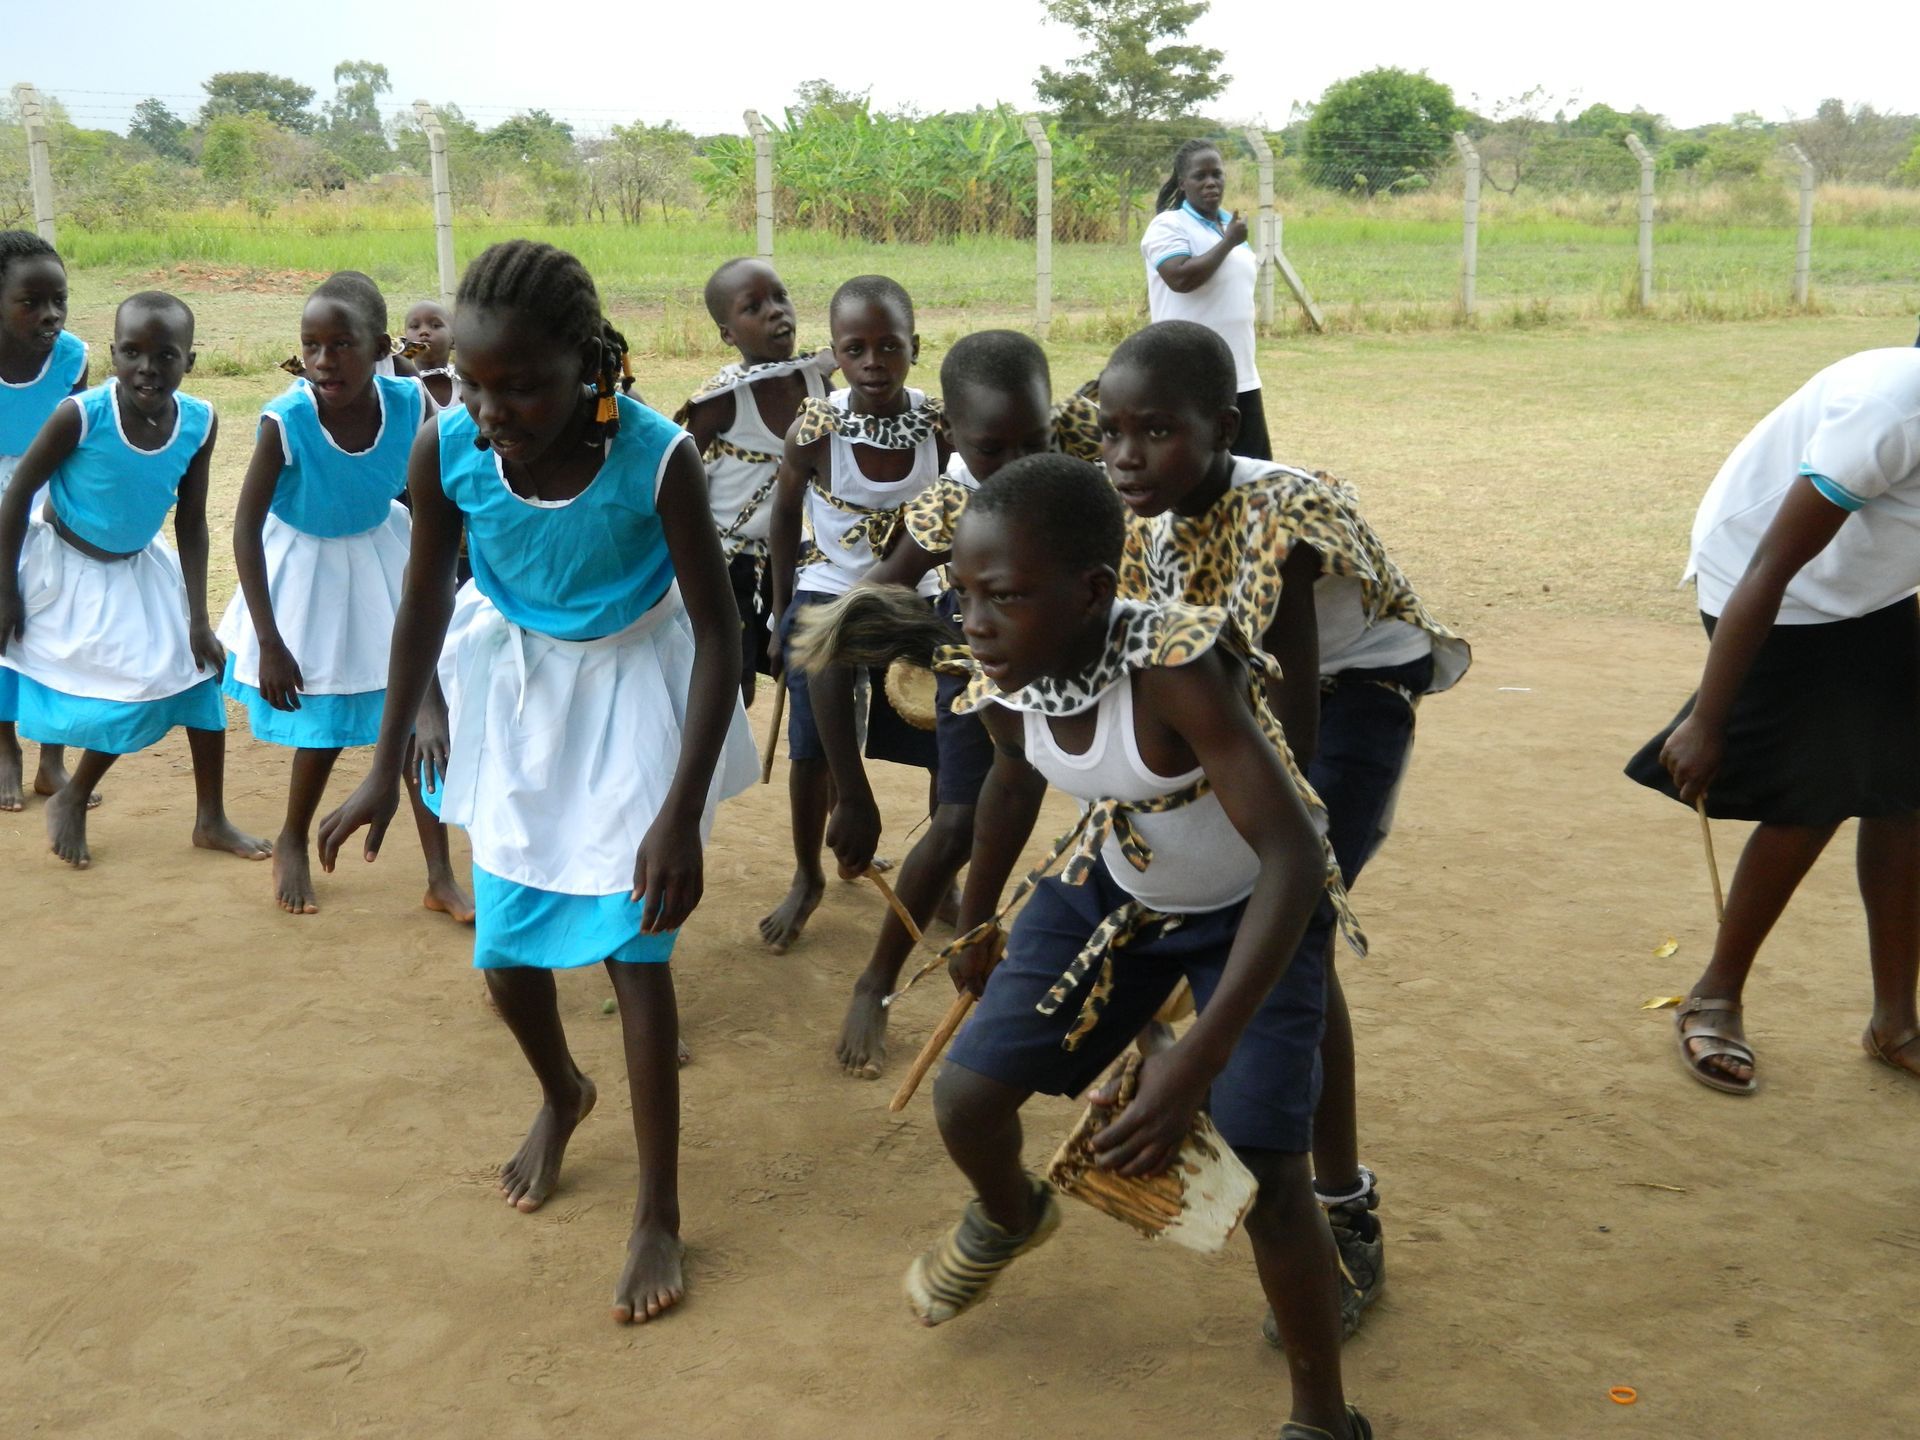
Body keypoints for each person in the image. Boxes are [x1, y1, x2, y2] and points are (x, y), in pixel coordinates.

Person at [316, 240, 757, 1323]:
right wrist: (383, 765)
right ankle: (564, 1091)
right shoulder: (448, 449)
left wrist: (680, 814)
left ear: (589, 367)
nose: (493, 408)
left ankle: (658, 1211)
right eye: (474, 383)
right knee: (507, 959)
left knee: (632, 954)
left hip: (635, 697)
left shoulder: (655, 459)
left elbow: (719, 632)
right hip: (516, 698)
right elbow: (423, 599)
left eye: (522, 385)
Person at [889, 454, 1370, 1440]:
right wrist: (983, 916)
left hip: (1252, 907)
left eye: (1007, 596)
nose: (975, 621)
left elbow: (1290, 853)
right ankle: (1015, 1216)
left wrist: (1198, 1053)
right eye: (964, 593)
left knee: (1262, 1169)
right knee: (966, 1098)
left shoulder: (1172, 669)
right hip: (1119, 892)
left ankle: (1324, 1418)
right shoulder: (1005, 667)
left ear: (1093, 592)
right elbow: (1014, 785)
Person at [1101, 318, 1469, 1339]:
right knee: (1240, 909)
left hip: (1353, 699)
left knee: (1293, 917)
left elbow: (1295, 728)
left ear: (1222, 428)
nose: (1129, 457)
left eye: (1158, 433)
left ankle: (1342, 1207)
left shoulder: (1280, 510)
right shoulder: (1149, 508)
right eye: (1114, 434)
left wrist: (1259, 843)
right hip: (1247, 694)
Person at [1626, 345, 1920, 1093]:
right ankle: (1714, 996)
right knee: (1809, 799)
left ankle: (1896, 1023)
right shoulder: (1891, 412)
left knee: (1906, 796)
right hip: (1770, 592)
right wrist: (1708, 721)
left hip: (1872, 588)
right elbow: (1769, 567)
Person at [815, 329, 1102, 1076]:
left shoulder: (1081, 441)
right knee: (957, 824)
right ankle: (876, 982)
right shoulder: (946, 507)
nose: (1016, 467)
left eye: (1033, 442)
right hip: (978, 651)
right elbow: (854, 618)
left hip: (1073, 642)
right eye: (991, 449)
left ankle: (1135, 1015)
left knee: (1111, 820)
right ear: (953, 437)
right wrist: (848, 788)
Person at [218, 272, 471, 921]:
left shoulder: (412, 405)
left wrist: (444, 563)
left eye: (342, 345)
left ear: (382, 345)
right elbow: (245, 528)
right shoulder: (288, 419)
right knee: (326, 718)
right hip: (304, 569)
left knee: (418, 711)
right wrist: (270, 641)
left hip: (382, 557)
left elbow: (426, 493)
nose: (324, 360)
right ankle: (294, 838)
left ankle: (439, 873)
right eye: (312, 345)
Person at [0, 291, 270, 869]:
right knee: (121, 690)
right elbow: (19, 492)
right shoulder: (82, 415)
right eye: (132, 352)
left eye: (165, 355)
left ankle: (210, 818)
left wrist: (198, 618)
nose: (148, 368)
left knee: (199, 677)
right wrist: (7, 590)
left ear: (190, 361)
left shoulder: (199, 421)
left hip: (143, 568)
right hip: (69, 572)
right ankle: (70, 792)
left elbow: (193, 521)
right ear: (114, 357)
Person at [759, 274, 947, 952]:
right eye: (855, 348)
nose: (873, 363)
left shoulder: (937, 426)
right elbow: (784, 517)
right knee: (809, 747)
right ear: (834, 354)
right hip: (828, 586)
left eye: (889, 346)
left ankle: (940, 871)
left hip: (915, 594)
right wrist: (781, 613)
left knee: (940, 736)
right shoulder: (816, 426)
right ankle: (808, 873)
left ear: (914, 348)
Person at [677, 258, 834, 710]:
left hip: (799, 556)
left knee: (803, 668)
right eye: (754, 307)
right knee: (733, 680)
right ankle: (717, 771)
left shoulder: (817, 382)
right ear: (728, 334)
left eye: (780, 297)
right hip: (729, 563)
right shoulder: (722, 399)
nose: (776, 312)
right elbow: (679, 472)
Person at [0, 230, 89, 811]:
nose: (49, 314)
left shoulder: (73, 357)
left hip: (47, 493)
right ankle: (3, 744)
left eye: (58, 299)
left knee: (54, 617)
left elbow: (77, 443)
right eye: (29, 302)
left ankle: (51, 758)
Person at [1140, 140, 1268, 460]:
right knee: (1192, 477)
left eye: (1217, 174)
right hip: (1188, 378)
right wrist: (1228, 243)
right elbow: (1180, 278)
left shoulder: (1230, 224)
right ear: (1183, 183)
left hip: (1241, 375)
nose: (1211, 182)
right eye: (1200, 176)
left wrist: (1230, 238)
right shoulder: (1168, 226)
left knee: (1253, 476)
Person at [403, 298, 458, 411]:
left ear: (454, 340)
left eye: (435, 325)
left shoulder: (464, 381)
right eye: (415, 326)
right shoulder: (404, 385)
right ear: (406, 343)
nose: (424, 331)